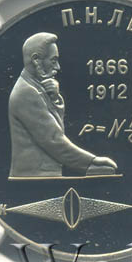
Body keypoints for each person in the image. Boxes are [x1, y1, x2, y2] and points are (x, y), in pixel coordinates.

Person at [8, 32, 118, 178]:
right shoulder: (26, 93)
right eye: (53, 60)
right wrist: (91, 161)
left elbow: (55, 129)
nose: (58, 67)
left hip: (42, 174)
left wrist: (54, 98)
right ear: (36, 60)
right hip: (33, 177)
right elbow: (53, 139)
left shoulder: (34, 86)